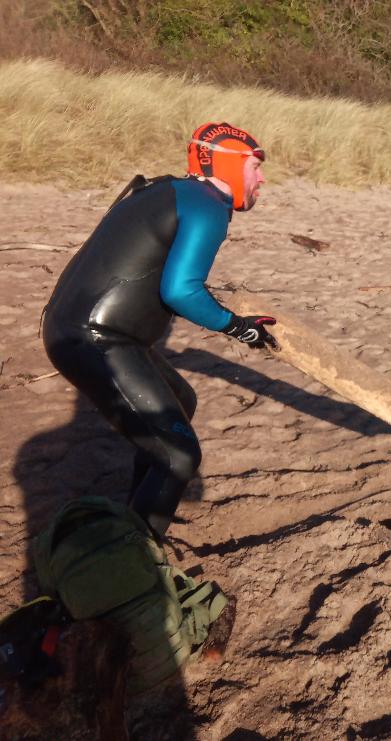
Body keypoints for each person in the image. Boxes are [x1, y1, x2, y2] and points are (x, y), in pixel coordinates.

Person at [42, 122, 276, 537]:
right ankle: (139, 565)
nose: (260, 178)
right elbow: (181, 291)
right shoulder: (207, 205)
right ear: (227, 163)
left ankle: (135, 520)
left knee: (181, 401)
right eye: (254, 167)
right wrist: (240, 328)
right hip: (95, 337)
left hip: (90, 330)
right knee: (179, 457)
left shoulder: (171, 190)